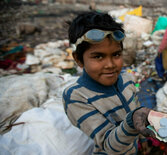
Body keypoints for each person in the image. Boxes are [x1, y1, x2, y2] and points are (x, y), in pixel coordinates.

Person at [62, 11, 155, 154]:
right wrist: (131, 123)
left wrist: (143, 141)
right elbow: (108, 145)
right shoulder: (76, 97)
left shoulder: (127, 79)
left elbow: (137, 112)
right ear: (78, 59)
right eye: (98, 56)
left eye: (116, 54)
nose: (110, 64)